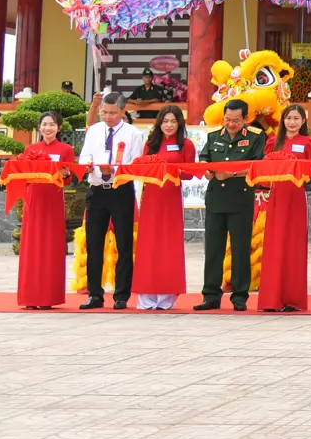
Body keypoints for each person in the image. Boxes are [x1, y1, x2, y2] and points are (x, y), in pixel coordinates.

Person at [196, 99, 267, 312]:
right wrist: (206, 170)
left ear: (245, 119)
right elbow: (203, 158)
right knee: (213, 249)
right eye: (228, 120)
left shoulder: (255, 137)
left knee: (240, 249)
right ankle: (210, 295)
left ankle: (239, 296)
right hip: (216, 199)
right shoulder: (213, 136)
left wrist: (233, 173)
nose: (231, 124)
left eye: (236, 121)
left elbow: (258, 165)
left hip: (240, 200)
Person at [77, 92, 145, 309]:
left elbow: (136, 163)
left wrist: (115, 171)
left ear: (123, 111)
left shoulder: (134, 133)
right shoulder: (95, 130)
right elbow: (85, 155)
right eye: (104, 112)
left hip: (120, 190)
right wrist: (89, 164)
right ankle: (95, 294)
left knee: (124, 243)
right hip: (97, 190)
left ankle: (121, 295)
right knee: (94, 243)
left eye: (112, 113)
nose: (107, 117)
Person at [259, 103, 311, 312]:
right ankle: (271, 299)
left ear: (303, 121)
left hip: (295, 196)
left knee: (293, 245)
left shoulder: (308, 142)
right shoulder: (274, 142)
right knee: (274, 245)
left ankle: (293, 299)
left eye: (296, 118)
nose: (292, 122)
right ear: (283, 121)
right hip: (276, 197)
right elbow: (265, 169)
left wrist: (296, 169)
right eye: (288, 118)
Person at [134, 105, 192, 311]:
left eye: (173, 121)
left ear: (179, 124)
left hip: (171, 198)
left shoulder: (185, 144)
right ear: (159, 123)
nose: (169, 125)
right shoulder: (151, 143)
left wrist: (172, 170)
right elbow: (141, 169)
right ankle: (147, 296)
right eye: (165, 121)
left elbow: (190, 173)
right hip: (151, 197)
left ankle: (166, 296)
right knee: (149, 244)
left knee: (169, 244)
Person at [16, 110, 73, 309]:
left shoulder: (66, 149)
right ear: (39, 127)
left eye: (52, 125)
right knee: (31, 247)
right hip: (34, 200)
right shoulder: (31, 148)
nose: (48, 128)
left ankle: (48, 297)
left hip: (53, 200)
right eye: (44, 124)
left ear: (59, 128)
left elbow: (69, 178)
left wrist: (65, 172)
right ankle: (30, 297)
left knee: (50, 247)